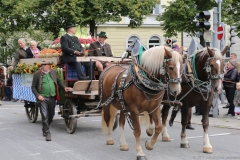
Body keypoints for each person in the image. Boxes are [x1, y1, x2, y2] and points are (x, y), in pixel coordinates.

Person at [31, 60, 71, 141]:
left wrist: (64, 87)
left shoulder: (54, 72)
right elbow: (33, 87)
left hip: (52, 97)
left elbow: (59, 81)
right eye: (44, 64)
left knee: (51, 115)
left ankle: (45, 127)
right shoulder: (37, 74)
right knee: (44, 115)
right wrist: (38, 95)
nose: (45, 66)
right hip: (43, 98)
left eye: (47, 64)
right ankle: (47, 133)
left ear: (49, 65)